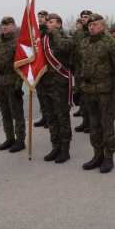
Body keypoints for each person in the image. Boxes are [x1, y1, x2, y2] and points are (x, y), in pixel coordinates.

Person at [79, 14, 115, 173]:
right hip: (89, 91)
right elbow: (81, 67)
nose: (91, 26)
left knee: (107, 126)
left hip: (105, 91)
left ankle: (108, 157)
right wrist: (79, 88)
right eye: (90, 24)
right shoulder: (84, 42)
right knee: (94, 125)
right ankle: (97, 155)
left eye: (95, 24)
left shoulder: (110, 43)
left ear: (102, 26)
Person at [0, 16, 26, 152]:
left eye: (8, 25)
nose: (5, 27)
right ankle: (10, 139)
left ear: (13, 27)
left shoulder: (18, 44)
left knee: (17, 114)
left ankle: (20, 141)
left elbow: (22, 67)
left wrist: (19, 85)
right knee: (5, 114)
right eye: (3, 25)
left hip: (12, 83)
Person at [40, 13, 74, 164]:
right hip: (45, 85)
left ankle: (65, 150)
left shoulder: (65, 39)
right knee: (51, 118)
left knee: (62, 118)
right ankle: (55, 146)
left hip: (60, 85)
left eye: (52, 22)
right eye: (47, 22)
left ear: (59, 24)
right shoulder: (43, 40)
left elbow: (63, 48)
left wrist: (54, 33)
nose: (48, 24)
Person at [73, 10, 92, 132]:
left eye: (86, 17)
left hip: (90, 71)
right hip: (79, 70)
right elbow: (74, 49)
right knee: (82, 98)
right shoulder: (79, 33)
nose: (84, 19)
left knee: (90, 99)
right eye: (82, 17)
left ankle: (92, 123)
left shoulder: (93, 31)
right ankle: (85, 121)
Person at [34, 10, 50, 128]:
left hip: (48, 66)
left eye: (42, 17)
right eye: (38, 17)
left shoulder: (48, 31)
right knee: (41, 94)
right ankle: (44, 116)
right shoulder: (36, 31)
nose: (40, 18)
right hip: (38, 66)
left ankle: (50, 118)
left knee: (48, 95)